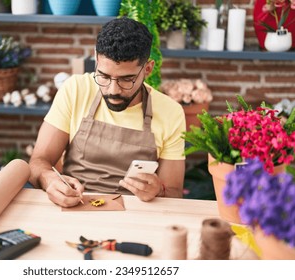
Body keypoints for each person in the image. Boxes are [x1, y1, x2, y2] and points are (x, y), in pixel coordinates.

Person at [29, 17, 186, 207]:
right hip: (75, 206)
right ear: (96, 59)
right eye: (103, 76)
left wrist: (159, 190)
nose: (113, 90)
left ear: (148, 69)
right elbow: (38, 162)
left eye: (126, 79)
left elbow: (174, 193)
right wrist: (49, 180)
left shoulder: (171, 112)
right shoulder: (76, 89)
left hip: (137, 213)